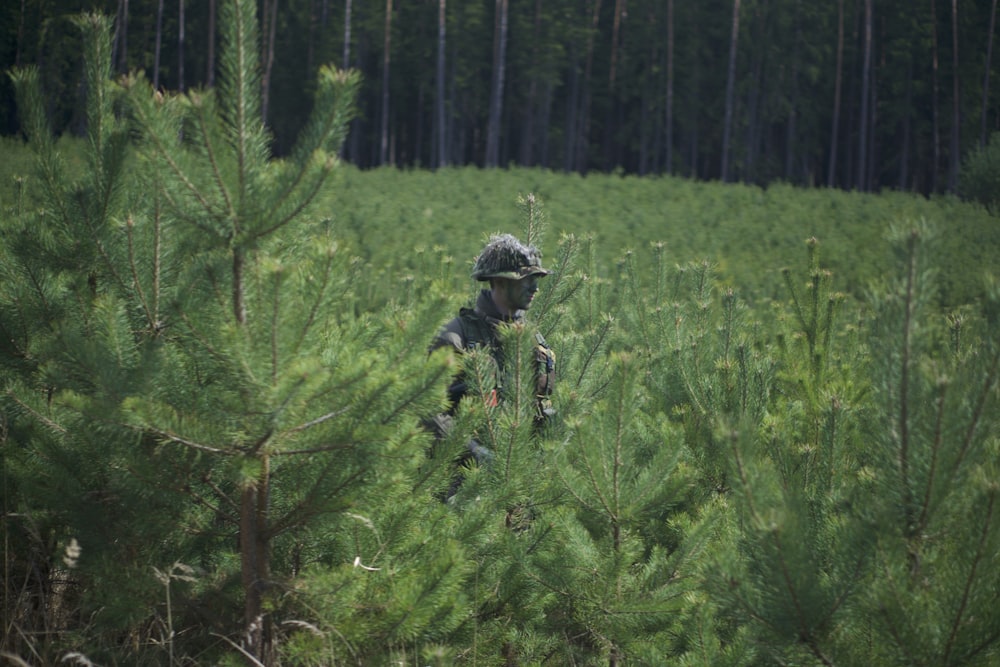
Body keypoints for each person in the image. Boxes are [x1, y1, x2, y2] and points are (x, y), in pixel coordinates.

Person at [426, 233, 557, 487]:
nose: (535, 287)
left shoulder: (533, 340)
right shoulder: (456, 337)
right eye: (526, 280)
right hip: (464, 484)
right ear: (499, 282)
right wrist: (474, 454)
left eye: (536, 279)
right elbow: (429, 411)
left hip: (523, 483)